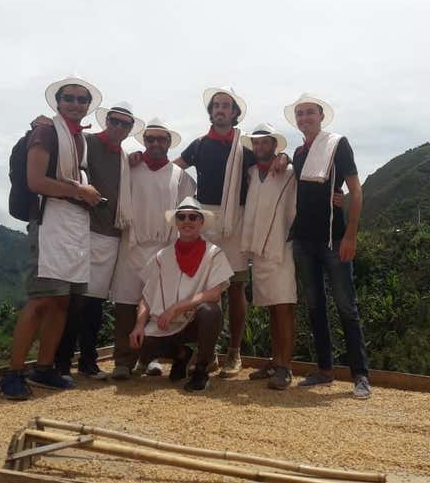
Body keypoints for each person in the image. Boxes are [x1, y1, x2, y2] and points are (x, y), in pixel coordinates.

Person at [173, 86, 289, 378]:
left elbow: (270, 159)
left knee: (236, 287)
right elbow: (172, 171)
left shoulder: (245, 148)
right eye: (217, 106)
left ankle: (234, 352)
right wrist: (138, 162)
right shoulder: (198, 145)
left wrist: (285, 157)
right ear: (211, 112)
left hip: (237, 218)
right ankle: (207, 352)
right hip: (206, 219)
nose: (221, 110)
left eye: (227, 106)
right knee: (206, 288)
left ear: (235, 113)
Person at [0, 76, 103, 400]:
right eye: (69, 98)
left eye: (81, 99)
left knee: (61, 301)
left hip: (72, 225)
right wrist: (81, 190)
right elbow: (35, 181)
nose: (75, 104)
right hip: (49, 222)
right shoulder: (45, 132)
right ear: (57, 103)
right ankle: (13, 373)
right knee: (41, 299)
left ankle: (44, 367)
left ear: (88, 106)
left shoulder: (78, 139)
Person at [285, 93, 372, 399]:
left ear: (321, 116)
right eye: (300, 114)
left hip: (334, 239)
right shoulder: (297, 153)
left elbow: (356, 190)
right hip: (304, 240)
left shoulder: (338, 144)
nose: (305, 118)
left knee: (347, 307)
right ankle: (324, 369)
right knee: (314, 306)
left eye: (310, 112)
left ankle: (360, 375)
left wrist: (350, 234)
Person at [52, 102, 145, 382]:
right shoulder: (86, 142)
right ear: (107, 121)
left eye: (124, 124)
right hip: (82, 229)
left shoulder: (126, 158)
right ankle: (61, 360)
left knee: (94, 302)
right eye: (114, 121)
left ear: (130, 129)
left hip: (111, 234)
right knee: (73, 299)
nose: (118, 127)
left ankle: (88, 361)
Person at [111, 118, 195, 379]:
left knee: (159, 305)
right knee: (126, 304)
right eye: (150, 139)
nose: (156, 144)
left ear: (169, 143)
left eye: (161, 139)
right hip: (132, 243)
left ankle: (151, 358)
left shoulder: (180, 176)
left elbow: (187, 212)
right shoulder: (129, 167)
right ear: (144, 141)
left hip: (164, 246)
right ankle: (124, 361)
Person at [129, 197, 234, 392]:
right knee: (140, 342)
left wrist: (176, 308)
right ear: (176, 222)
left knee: (210, 311)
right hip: (167, 324)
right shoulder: (162, 256)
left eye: (193, 217)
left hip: (195, 321)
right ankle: (181, 354)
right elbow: (146, 295)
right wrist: (139, 325)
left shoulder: (214, 253)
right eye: (182, 216)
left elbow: (214, 294)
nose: (187, 221)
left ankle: (201, 370)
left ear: (201, 222)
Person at [240, 123, 297, 390]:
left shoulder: (288, 171)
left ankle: (286, 367)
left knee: (284, 306)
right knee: (273, 309)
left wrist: (287, 158)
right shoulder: (251, 173)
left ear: (275, 146)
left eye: (266, 142)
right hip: (259, 250)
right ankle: (275, 360)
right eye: (257, 143)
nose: (261, 147)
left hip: (282, 247)